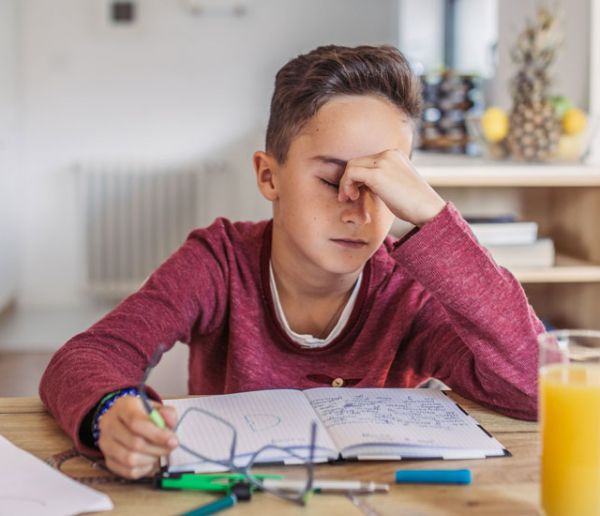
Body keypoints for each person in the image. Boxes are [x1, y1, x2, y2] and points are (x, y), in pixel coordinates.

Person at [40, 44, 542, 480]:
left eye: (385, 187)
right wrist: (110, 412)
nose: (359, 212)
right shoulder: (218, 263)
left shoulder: (408, 289)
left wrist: (435, 220)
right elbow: (86, 357)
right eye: (332, 181)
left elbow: (538, 387)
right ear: (269, 177)